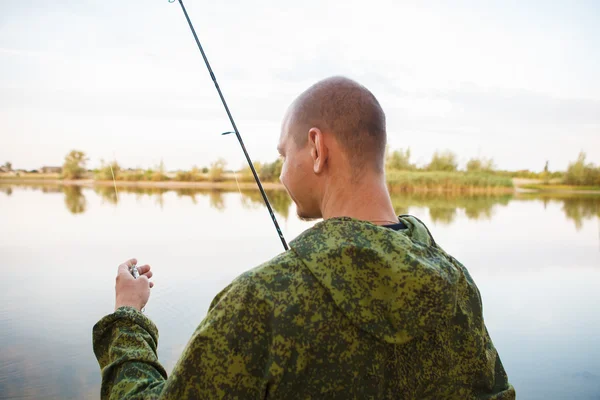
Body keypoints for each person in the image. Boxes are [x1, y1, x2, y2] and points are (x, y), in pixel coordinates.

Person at [93, 76, 515, 399]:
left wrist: (128, 317)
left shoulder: (259, 302)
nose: (279, 173)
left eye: (282, 154)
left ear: (316, 149)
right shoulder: (458, 286)